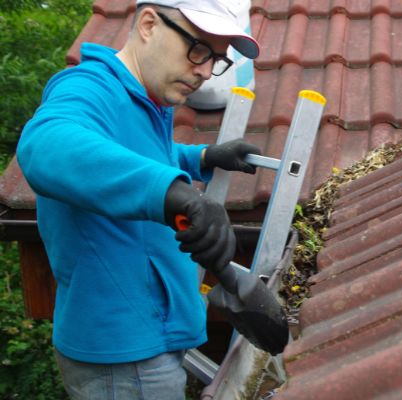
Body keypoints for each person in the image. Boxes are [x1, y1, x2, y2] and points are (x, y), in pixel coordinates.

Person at [16, 1, 262, 398]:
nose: (204, 70)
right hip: (124, 357)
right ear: (149, 24)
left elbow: (137, 158)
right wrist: (174, 193)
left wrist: (199, 157)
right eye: (198, 48)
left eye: (216, 59)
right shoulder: (90, 88)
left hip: (148, 338)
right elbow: (45, 145)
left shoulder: (146, 99)